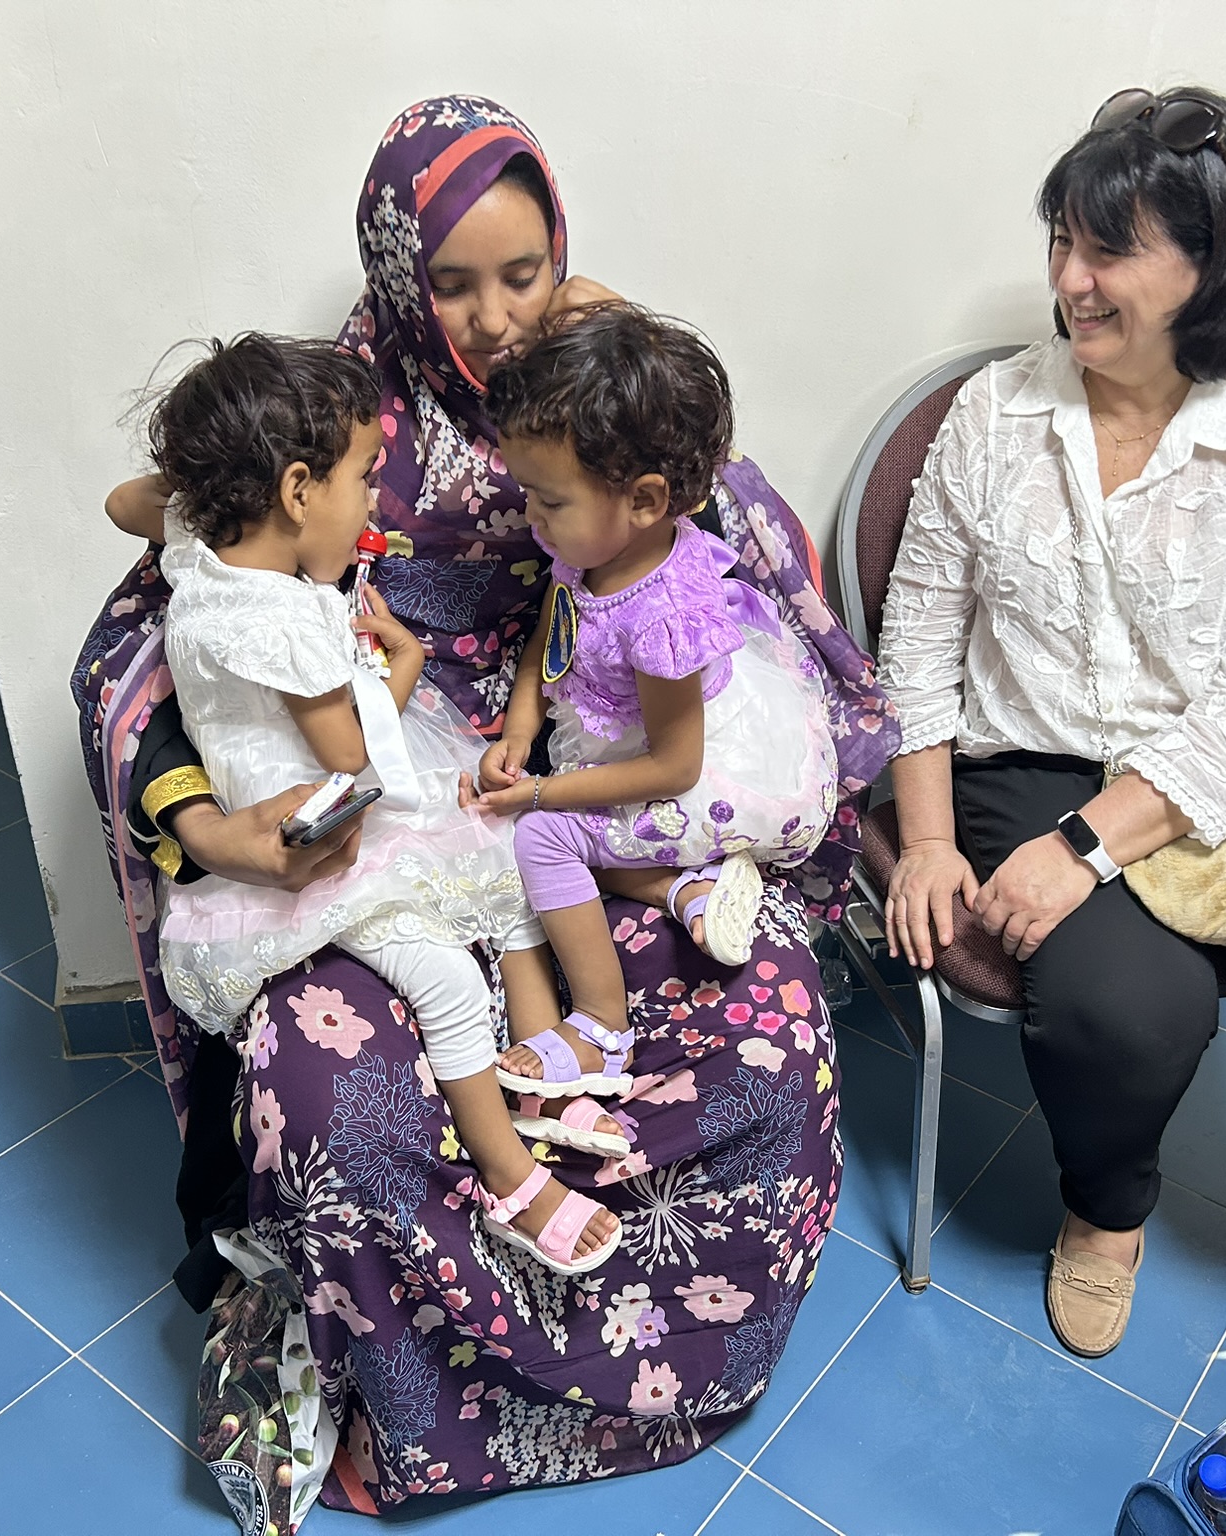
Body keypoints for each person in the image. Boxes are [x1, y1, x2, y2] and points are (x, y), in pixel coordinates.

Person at [72, 95, 896, 1515]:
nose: (497, 317)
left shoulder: (595, 390)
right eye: (453, 283)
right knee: (330, 1099)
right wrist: (203, 822)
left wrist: (618, 347)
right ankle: (420, 1418)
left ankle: (671, 1364)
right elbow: (150, 616)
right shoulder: (329, 420)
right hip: (382, 807)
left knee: (773, 1031)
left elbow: (710, 524)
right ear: (397, 277)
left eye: (526, 274)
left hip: (567, 766)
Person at [877, 86, 1226, 1359]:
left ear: (1213, 262)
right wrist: (925, 841)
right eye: (1059, 242)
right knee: (1120, 1015)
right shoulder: (993, 416)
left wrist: (1089, 846)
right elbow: (915, 634)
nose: (1067, 281)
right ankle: (1104, 1215)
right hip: (1038, 756)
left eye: (1108, 250)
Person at [114, 331, 624, 1274]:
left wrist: (209, 484)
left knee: (498, 862)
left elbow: (123, 502)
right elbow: (353, 754)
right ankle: (510, 1174)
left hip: (308, 776)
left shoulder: (201, 549)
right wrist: (408, 663)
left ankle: (537, 1066)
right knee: (447, 976)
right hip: (317, 832)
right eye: (361, 478)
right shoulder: (279, 623)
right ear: (297, 490)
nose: (372, 502)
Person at [473, 305, 840, 1099]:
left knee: (540, 842)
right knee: (546, 832)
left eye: (548, 501)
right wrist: (521, 728)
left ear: (643, 500)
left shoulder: (662, 617)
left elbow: (675, 768)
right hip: (637, 744)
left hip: (701, 769)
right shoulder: (593, 542)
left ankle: (601, 1029)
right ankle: (683, 887)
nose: (530, 516)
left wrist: (539, 794)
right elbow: (557, 624)